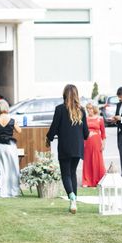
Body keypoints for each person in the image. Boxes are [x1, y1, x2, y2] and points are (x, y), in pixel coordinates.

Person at [46, 84, 89, 214]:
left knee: (66, 174)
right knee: (73, 173)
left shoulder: (59, 109)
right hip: (77, 147)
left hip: (65, 146)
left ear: (64, 94)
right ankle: (73, 201)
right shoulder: (81, 110)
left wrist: (49, 138)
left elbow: (54, 128)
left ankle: (72, 197)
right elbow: (86, 133)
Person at [0, 99, 22, 198]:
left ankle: (2, 192)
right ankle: (13, 192)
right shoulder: (12, 120)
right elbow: (19, 131)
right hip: (10, 146)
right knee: (13, 168)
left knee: (0, 168)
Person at [82, 102, 106, 187]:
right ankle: (86, 181)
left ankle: (99, 180)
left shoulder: (100, 119)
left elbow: (103, 134)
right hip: (87, 142)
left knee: (97, 161)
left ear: (94, 109)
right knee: (87, 161)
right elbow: (82, 131)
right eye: (88, 108)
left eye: (91, 108)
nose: (89, 110)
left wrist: (103, 144)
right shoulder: (85, 119)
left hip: (97, 143)